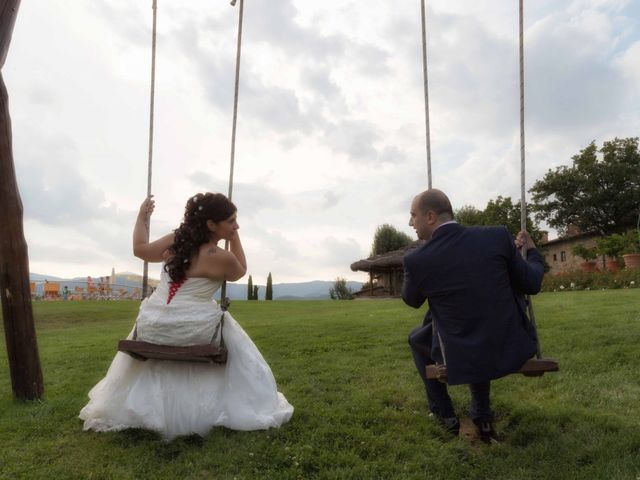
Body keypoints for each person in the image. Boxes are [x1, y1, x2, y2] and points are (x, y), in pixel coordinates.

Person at [79, 193, 294, 440]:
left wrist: (142, 216)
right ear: (212, 225)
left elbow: (140, 250)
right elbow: (240, 271)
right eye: (231, 221)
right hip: (192, 329)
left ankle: (147, 406)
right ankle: (216, 404)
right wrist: (234, 238)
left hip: (152, 325)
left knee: (197, 317)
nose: (236, 225)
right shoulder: (221, 257)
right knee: (224, 327)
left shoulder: (174, 242)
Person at [402, 189, 544, 443]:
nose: (411, 222)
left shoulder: (418, 259)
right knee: (465, 330)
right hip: (509, 344)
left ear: (431, 216)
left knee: (420, 338)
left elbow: (411, 300)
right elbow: (531, 282)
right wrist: (530, 252)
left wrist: (419, 263)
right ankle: (483, 417)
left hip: (459, 352)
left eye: (414, 216)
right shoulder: (497, 237)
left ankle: (445, 415)